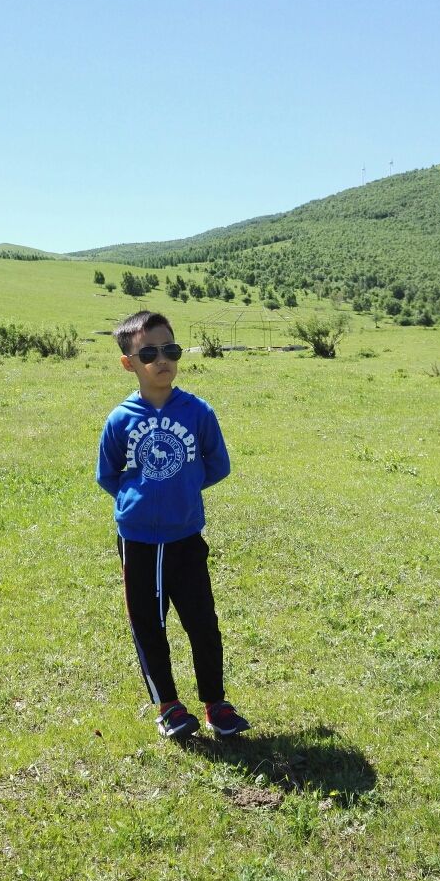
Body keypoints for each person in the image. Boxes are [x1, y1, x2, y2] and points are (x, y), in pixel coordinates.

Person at [96, 310, 251, 740]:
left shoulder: (197, 412)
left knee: (202, 621)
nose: (161, 359)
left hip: (186, 538)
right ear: (129, 362)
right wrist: (140, 502)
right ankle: (168, 705)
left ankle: (216, 704)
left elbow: (217, 464)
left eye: (170, 349)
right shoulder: (120, 419)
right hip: (139, 542)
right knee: (149, 623)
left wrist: (182, 489)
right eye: (148, 352)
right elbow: (108, 475)